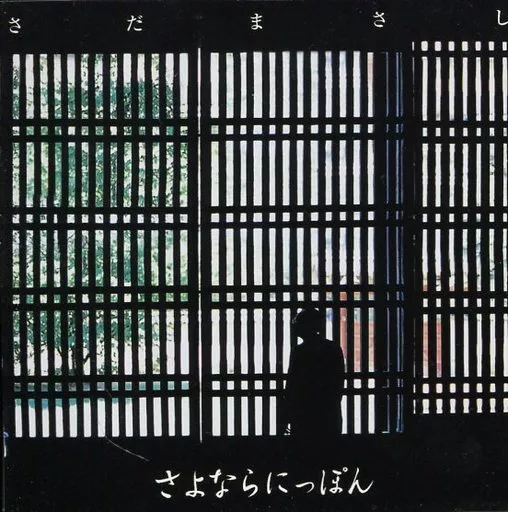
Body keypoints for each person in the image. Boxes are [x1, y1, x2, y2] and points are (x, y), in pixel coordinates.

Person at [279, 308, 345, 443]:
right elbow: (338, 384)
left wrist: (286, 416)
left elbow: (292, 386)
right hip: (328, 413)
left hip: (303, 413)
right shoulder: (333, 348)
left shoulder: (299, 351)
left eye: (297, 322)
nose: (294, 325)